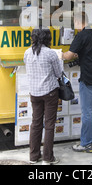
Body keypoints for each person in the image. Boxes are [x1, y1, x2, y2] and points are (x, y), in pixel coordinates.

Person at [61, 12, 92, 153]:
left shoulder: (80, 36)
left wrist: (57, 54)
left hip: (88, 78)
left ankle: (86, 143)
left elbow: (68, 55)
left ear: (77, 21)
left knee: (87, 111)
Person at [24, 28, 63, 165]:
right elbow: (59, 74)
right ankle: (48, 158)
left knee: (36, 123)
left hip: (34, 93)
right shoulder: (51, 53)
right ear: (48, 38)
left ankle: (34, 156)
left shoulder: (27, 52)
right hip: (50, 92)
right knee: (49, 125)